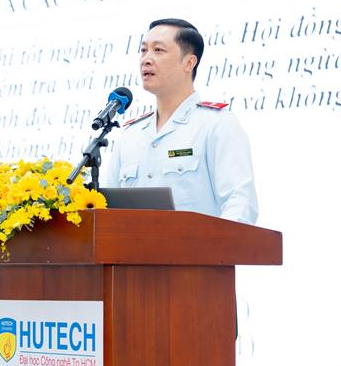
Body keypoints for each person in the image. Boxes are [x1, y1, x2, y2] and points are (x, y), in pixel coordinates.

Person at [102, 18, 258, 225]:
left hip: (198, 246)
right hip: (134, 247)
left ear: (189, 63)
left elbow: (240, 203)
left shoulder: (217, 125)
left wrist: (215, 243)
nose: (146, 59)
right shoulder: (131, 135)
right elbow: (105, 210)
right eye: (143, 50)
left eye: (158, 50)